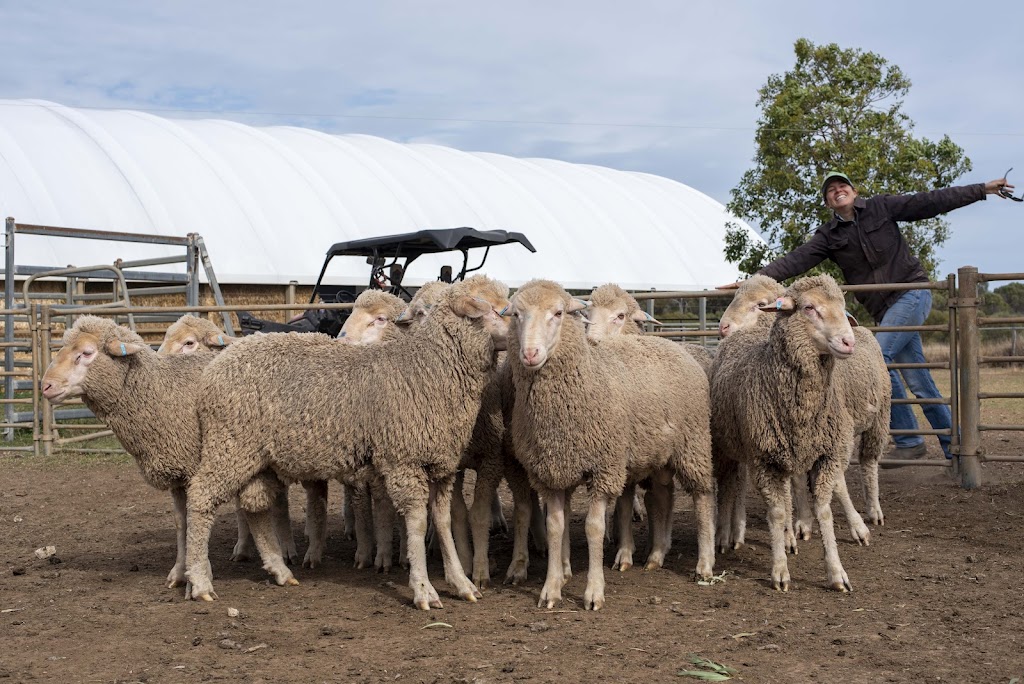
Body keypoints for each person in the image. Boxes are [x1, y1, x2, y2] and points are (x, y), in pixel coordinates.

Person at [719, 170, 1015, 462]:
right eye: (830, 190)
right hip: (884, 309)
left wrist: (982, 189)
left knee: (880, 359)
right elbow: (794, 261)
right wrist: (751, 280)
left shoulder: (880, 207)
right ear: (828, 202)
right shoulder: (829, 236)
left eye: (842, 185)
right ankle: (956, 451)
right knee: (920, 380)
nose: (837, 190)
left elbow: (931, 201)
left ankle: (909, 440)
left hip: (912, 293)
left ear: (854, 191)